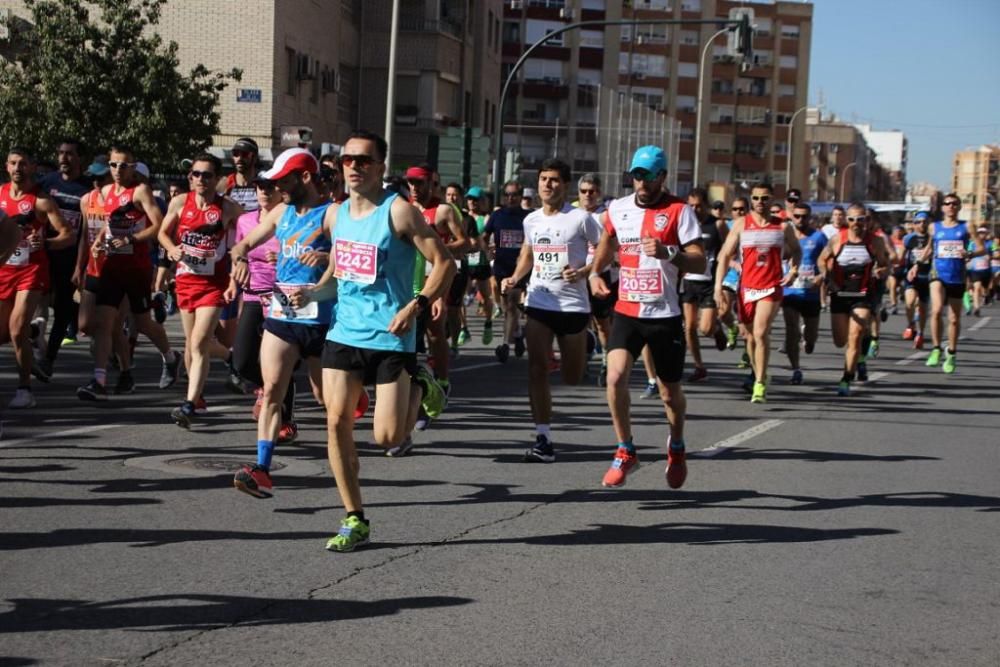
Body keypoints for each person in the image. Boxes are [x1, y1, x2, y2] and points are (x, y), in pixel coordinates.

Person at [305, 130, 454, 551]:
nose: (353, 166)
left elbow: (445, 263)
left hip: (392, 336)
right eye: (347, 159)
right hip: (344, 333)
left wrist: (417, 305)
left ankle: (422, 382)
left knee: (388, 439)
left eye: (363, 160)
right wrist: (312, 292)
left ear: (380, 167)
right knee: (335, 421)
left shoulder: (400, 212)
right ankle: (354, 517)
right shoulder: (334, 215)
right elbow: (338, 275)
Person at [591, 145, 704, 489]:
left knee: (670, 394)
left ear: (662, 177)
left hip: (664, 314)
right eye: (636, 175)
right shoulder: (618, 208)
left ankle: (678, 445)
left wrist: (671, 253)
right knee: (615, 378)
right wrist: (596, 273)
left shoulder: (679, 211)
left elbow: (700, 261)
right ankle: (626, 449)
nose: (640, 182)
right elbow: (606, 243)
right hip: (626, 309)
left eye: (648, 176)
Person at [500, 159, 601, 462]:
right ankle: (543, 436)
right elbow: (528, 254)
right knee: (537, 368)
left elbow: (606, 252)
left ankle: (587, 342)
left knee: (572, 377)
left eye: (554, 180)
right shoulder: (531, 220)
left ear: (565, 185)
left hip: (573, 305)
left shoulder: (581, 218)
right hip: (540, 301)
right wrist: (516, 278)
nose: (547, 184)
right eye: (544, 178)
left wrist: (583, 271)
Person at [77, 145, 181, 401]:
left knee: (144, 323)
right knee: (103, 324)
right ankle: (98, 381)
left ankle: (170, 357)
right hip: (111, 268)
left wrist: (131, 239)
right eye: (113, 165)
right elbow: (109, 225)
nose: (117, 170)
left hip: (136, 269)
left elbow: (158, 226)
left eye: (123, 165)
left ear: (133, 167)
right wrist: (99, 240)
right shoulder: (105, 191)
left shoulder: (140, 191)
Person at [158, 153, 243, 427]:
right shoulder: (180, 202)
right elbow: (162, 233)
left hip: (213, 284)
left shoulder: (228, 207)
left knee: (198, 342)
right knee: (192, 346)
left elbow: (247, 233)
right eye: (196, 174)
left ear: (217, 179)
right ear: (189, 177)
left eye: (207, 175)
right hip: (185, 281)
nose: (200, 179)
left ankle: (189, 403)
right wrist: (171, 249)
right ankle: (228, 361)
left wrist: (238, 263)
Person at [714, 182, 801, 403]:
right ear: (751, 200)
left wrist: (793, 270)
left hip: (771, 287)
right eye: (756, 198)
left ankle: (760, 383)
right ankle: (759, 372)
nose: (760, 203)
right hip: (747, 287)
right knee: (750, 337)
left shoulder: (783, 227)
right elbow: (724, 255)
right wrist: (718, 287)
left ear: (772, 200)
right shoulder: (742, 224)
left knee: (761, 333)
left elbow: (796, 251)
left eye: (764, 198)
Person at [0, 148, 74, 408]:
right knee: (4, 334)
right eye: (13, 163)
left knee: (16, 329)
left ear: (32, 167)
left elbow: (68, 234)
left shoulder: (41, 201)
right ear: (7, 167)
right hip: (4, 270)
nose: (18, 168)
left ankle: (24, 390)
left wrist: (45, 242)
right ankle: (34, 332)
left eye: (23, 163)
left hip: (31, 271)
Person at [406, 165, 466, 414]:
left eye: (420, 183)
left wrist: (439, 251)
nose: (415, 188)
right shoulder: (403, 209)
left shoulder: (443, 211)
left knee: (435, 332)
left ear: (432, 184)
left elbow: (464, 242)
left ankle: (441, 379)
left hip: (436, 276)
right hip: (408, 280)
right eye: (411, 183)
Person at [818, 203, 890, 396]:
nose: (856, 223)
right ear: (846, 221)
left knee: (855, 335)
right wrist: (827, 277)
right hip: (840, 294)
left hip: (863, 294)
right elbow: (821, 259)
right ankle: (857, 358)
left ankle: (846, 378)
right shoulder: (837, 240)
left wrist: (881, 271)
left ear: (866, 221)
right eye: (852, 219)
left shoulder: (875, 242)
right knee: (840, 341)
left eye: (861, 219)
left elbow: (885, 265)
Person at [34, 139, 90, 381]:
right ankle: (37, 343)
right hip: (43, 255)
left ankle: (49, 359)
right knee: (38, 303)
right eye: (60, 153)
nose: (63, 158)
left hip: (70, 257)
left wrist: (80, 265)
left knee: (63, 309)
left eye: (69, 154)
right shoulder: (47, 184)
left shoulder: (87, 189)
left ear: (80, 159)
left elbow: (86, 234)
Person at [914, 194, 985, 373]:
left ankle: (951, 353)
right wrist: (916, 265)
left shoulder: (966, 226)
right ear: (942, 208)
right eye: (947, 203)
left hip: (957, 276)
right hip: (937, 273)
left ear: (959, 207)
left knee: (954, 319)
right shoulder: (934, 227)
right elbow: (930, 248)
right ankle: (936, 348)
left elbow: (981, 248)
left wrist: (969, 255)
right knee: (936, 310)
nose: (951, 206)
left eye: (954, 203)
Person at [679, 188, 728, 381]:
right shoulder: (684, 226)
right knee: (689, 328)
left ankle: (716, 330)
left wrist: (725, 273)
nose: (695, 209)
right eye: (691, 206)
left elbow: (728, 250)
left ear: (706, 206)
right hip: (689, 282)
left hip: (709, 283)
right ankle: (699, 367)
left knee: (705, 328)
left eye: (699, 205)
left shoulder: (717, 225)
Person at [780, 202, 826, 385]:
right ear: (792, 216)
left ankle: (810, 340)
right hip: (789, 291)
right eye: (797, 216)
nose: (800, 220)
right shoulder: (784, 235)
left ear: (810, 217)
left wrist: (822, 277)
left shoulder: (819, 237)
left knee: (810, 336)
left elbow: (829, 262)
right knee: (791, 330)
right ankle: (796, 369)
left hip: (811, 293)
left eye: (804, 216)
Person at [483, 181, 528, 362]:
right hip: (501, 266)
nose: (511, 198)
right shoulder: (497, 215)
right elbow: (484, 237)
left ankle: (504, 345)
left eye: (515, 194)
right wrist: (487, 251)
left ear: (520, 196)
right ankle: (517, 335)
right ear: (503, 197)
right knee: (505, 305)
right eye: (508, 195)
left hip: (520, 267)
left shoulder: (528, 217)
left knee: (511, 304)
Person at [576, 174, 615, 385]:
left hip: (600, 274)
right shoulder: (572, 214)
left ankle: (607, 363)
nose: (588, 195)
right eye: (584, 191)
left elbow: (613, 246)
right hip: (578, 276)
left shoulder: (606, 215)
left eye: (592, 191)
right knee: (580, 323)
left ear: (598, 192)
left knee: (602, 324)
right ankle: (581, 363)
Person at [464, 186, 494, 345]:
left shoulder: (487, 218)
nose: (471, 202)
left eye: (475, 199)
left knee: (486, 296)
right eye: (469, 199)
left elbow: (487, 239)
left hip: (481, 262)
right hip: (465, 262)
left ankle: (488, 322)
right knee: (461, 297)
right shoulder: (462, 216)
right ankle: (464, 328)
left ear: (482, 201)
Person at [901, 212, 932, 348]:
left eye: (924, 221)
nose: (922, 224)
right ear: (914, 224)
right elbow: (901, 256)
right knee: (910, 302)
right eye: (918, 222)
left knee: (924, 309)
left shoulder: (933, 238)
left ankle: (921, 333)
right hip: (912, 275)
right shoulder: (909, 238)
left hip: (927, 275)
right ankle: (911, 324)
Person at [220, 137, 261, 212]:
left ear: (254, 158)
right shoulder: (225, 183)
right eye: (236, 154)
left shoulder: (262, 184)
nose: (239, 158)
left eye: (245, 154)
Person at [965, 226, 992, 316]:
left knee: (985, 290)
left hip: (986, 270)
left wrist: (991, 256)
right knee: (977, 287)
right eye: (979, 233)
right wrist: (968, 258)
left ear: (986, 234)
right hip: (975, 269)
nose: (981, 235)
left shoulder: (990, 243)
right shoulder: (972, 244)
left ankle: (986, 295)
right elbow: (968, 253)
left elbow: (996, 253)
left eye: (983, 233)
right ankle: (977, 308)